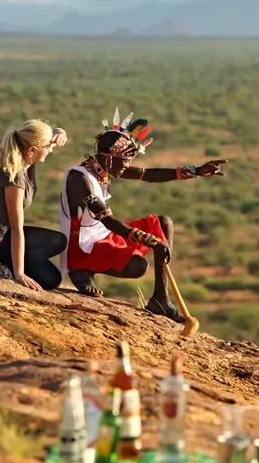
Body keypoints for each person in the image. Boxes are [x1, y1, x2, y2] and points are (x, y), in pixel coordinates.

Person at [58, 108, 226, 321]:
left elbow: (147, 174)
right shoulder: (79, 179)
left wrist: (196, 171)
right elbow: (108, 221)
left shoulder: (104, 168)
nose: (126, 167)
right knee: (138, 266)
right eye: (123, 162)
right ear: (108, 157)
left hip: (101, 235)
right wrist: (151, 241)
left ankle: (160, 299)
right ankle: (81, 270)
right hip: (83, 246)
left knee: (164, 223)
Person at [0, 118, 70, 291]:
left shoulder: (27, 160)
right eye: (48, 146)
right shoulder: (15, 177)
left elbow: (42, 135)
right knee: (56, 241)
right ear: (32, 150)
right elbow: (16, 228)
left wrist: (60, 132)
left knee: (51, 280)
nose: (51, 149)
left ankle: (0, 265)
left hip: (3, 234)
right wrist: (20, 274)